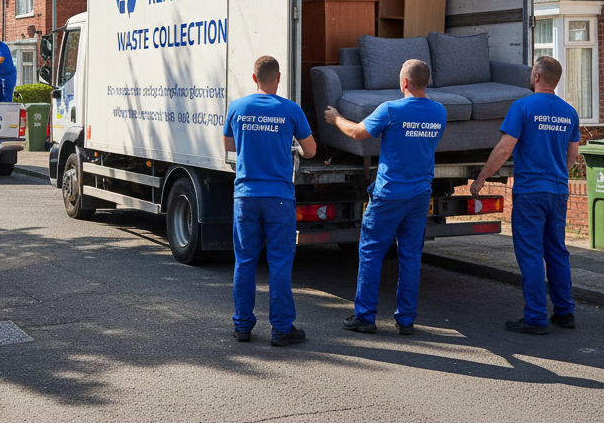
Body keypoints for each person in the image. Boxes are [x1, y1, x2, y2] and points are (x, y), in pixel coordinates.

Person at [325, 58, 446, 335]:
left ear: (404, 82)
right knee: (411, 257)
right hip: (419, 194)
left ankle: (365, 317)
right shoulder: (440, 112)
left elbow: (357, 134)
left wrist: (336, 118)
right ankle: (406, 320)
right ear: (425, 82)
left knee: (371, 253)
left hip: (390, 194)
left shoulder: (391, 110)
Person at [468, 55, 580, 334]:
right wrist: (556, 174)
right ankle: (565, 313)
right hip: (557, 191)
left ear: (537, 76)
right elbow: (573, 156)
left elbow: (505, 149)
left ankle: (535, 318)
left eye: (532, 72)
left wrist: (481, 178)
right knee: (557, 252)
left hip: (530, 191)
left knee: (530, 253)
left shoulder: (522, 107)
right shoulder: (569, 112)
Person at [222, 56, 316, 347]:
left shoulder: (237, 107)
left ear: (254, 78)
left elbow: (228, 145)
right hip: (279, 198)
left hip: (245, 196)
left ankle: (242, 327)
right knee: (279, 264)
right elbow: (311, 150)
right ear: (278, 78)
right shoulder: (290, 109)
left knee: (245, 262)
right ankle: (281, 329)